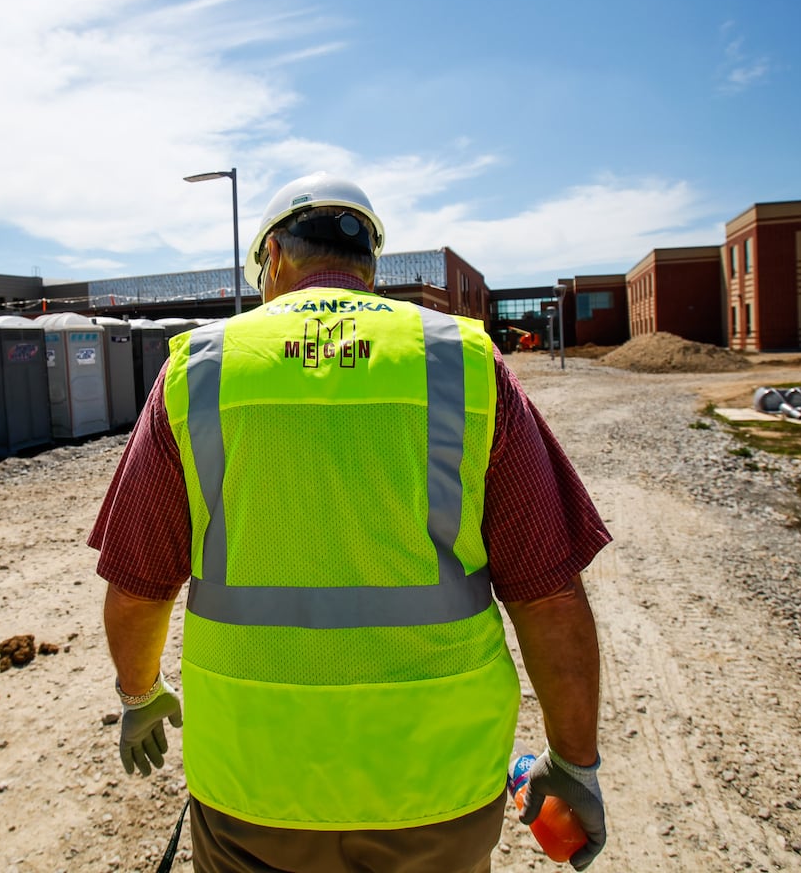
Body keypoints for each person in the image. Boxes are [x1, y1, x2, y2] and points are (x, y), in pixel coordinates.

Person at [90, 173, 612, 872]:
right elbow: (548, 593)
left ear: (273, 257)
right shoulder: (462, 361)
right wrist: (574, 765)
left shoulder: (199, 370)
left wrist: (140, 693)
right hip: (436, 782)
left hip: (253, 782)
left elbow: (137, 588)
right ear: (369, 265)